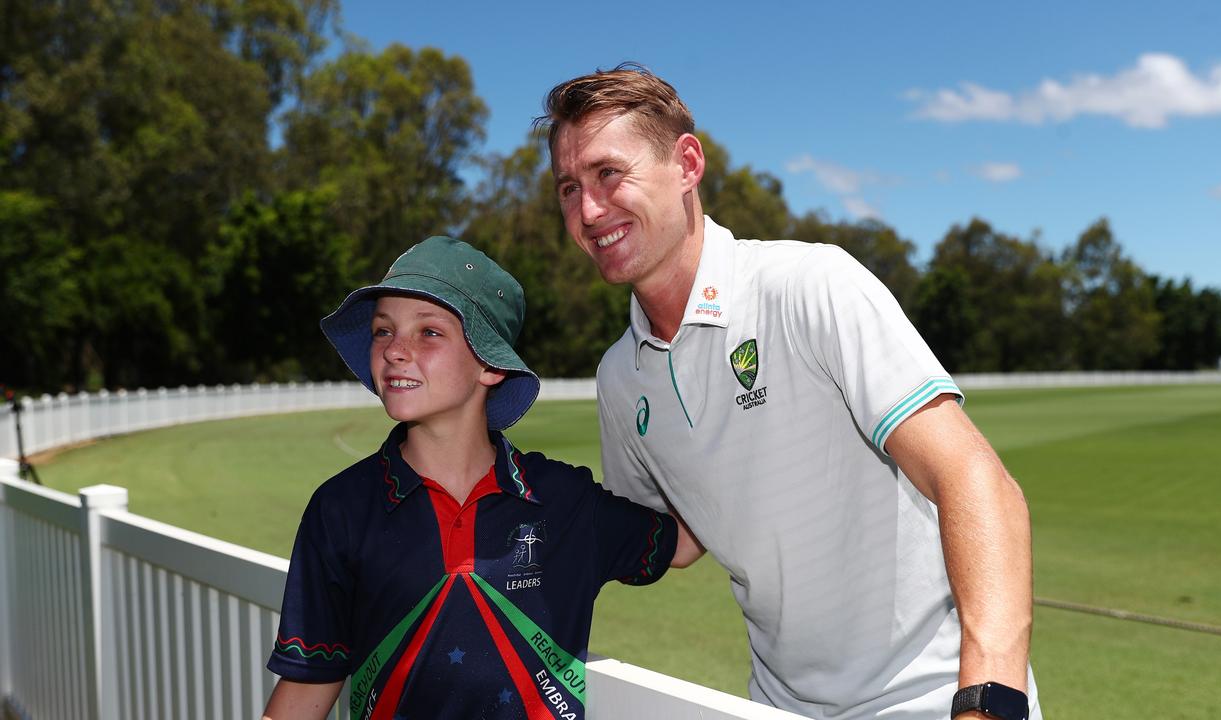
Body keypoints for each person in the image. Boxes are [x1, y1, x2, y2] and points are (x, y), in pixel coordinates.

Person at [538, 65, 1041, 720]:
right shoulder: (619, 376)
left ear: (686, 163)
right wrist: (513, 532)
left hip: (931, 697)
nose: (588, 210)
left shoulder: (810, 284)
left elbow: (973, 477)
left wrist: (987, 700)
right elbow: (676, 539)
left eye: (609, 174)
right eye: (568, 188)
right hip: (778, 706)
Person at [262, 236, 700, 720]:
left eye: (429, 333)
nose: (394, 351)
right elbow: (306, 690)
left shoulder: (565, 501)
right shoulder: (340, 509)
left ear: (490, 365)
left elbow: (681, 543)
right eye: (383, 331)